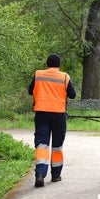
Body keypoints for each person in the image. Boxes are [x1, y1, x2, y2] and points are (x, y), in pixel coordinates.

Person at [28, 53, 76, 188]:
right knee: (57, 145)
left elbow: (30, 90)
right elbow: (72, 95)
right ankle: (55, 175)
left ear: (47, 64)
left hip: (41, 113)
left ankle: (40, 174)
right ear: (59, 66)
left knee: (42, 144)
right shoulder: (64, 77)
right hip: (58, 115)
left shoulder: (38, 74)